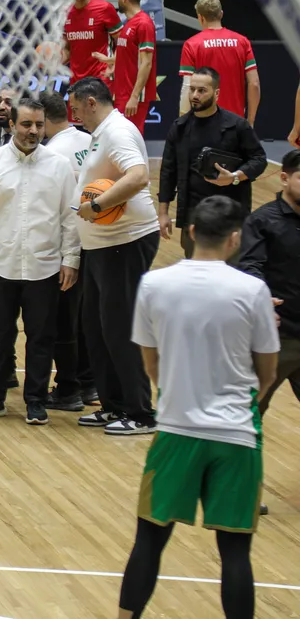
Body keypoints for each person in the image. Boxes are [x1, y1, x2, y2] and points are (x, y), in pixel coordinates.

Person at [118, 196, 277, 619]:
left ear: (190, 232)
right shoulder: (253, 290)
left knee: (149, 541)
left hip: (176, 432)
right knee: (235, 552)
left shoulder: (154, 284)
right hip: (237, 436)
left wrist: (178, 395)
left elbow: (150, 362)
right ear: (234, 239)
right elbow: (266, 372)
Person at [0, 97, 80, 425]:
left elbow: (69, 217)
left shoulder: (59, 165)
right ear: (12, 124)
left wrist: (71, 259)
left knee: (42, 337)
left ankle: (36, 401)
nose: (33, 131)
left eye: (39, 125)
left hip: (45, 267)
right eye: (27, 124)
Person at [68, 77, 161, 436]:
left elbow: (138, 176)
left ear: (91, 102)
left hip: (125, 242)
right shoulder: (101, 133)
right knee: (95, 327)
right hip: (101, 246)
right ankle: (114, 406)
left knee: (120, 328)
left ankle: (141, 412)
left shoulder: (118, 132)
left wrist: (97, 205)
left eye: (77, 108)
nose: (74, 115)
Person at [158, 67, 266, 259]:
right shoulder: (180, 127)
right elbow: (168, 171)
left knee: (232, 268)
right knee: (196, 270)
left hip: (230, 215)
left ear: (216, 93)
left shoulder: (237, 126)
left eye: (202, 91)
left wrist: (235, 177)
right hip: (194, 216)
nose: (195, 95)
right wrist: (163, 213)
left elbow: (259, 159)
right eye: (192, 89)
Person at [40, 89, 96, 410]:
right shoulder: (90, 140)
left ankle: (67, 389)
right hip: (94, 238)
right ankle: (90, 385)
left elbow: (51, 207)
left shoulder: (51, 154)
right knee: (86, 318)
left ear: (44, 118)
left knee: (63, 322)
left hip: (66, 246)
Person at [240, 149, 300, 414]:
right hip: (277, 337)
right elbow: (249, 266)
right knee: (249, 414)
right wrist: (262, 298)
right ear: (284, 178)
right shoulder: (262, 221)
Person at [179, 0, 258, 125]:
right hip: (235, 123)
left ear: (200, 17)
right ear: (221, 14)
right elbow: (254, 83)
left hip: (203, 123)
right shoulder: (242, 42)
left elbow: (187, 87)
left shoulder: (191, 45)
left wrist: (182, 122)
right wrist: (250, 121)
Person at [108, 0, 158, 134]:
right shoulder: (129, 24)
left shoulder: (143, 23)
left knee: (129, 139)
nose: (117, 0)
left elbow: (146, 63)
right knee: (121, 138)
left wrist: (134, 96)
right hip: (122, 93)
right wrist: (108, 62)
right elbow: (128, 57)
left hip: (133, 95)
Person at [63, 0, 122, 84]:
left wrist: (115, 63)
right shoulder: (65, 12)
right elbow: (68, 49)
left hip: (101, 78)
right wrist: (53, 60)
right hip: (76, 82)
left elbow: (123, 41)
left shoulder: (104, 8)